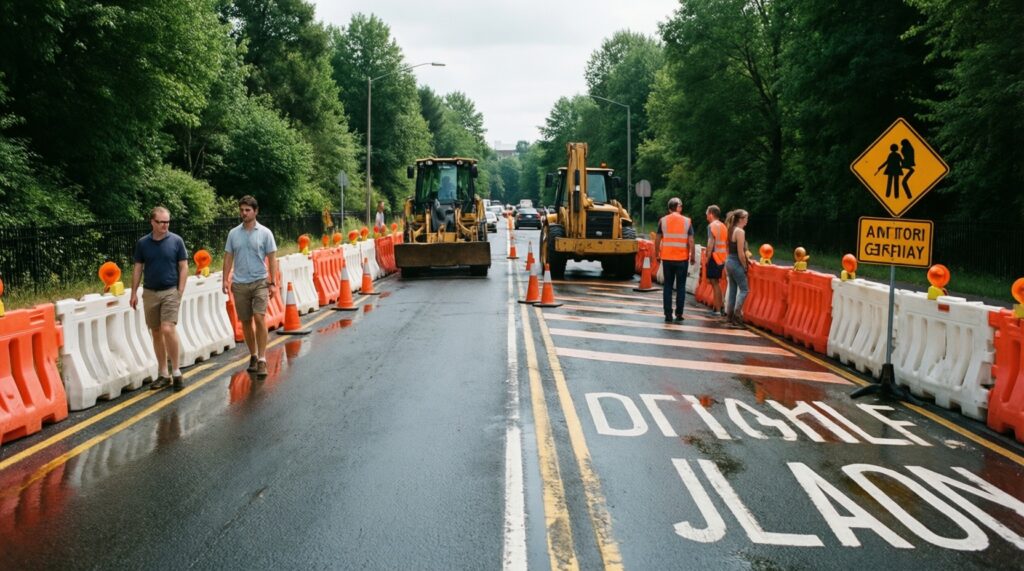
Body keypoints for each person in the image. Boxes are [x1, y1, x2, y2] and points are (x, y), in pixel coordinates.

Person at [130, 206, 188, 391]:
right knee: (155, 331)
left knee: (167, 328)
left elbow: (184, 266)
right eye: (161, 222)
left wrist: (180, 291)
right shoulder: (143, 243)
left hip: (170, 290)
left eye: (167, 222)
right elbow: (138, 268)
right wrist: (133, 293)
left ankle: (176, 371)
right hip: (150, 292)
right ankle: (163, 373)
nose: (165, 225)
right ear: (152, 222)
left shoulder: (176, 241)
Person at [222, 195, 278, 379]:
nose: (244, 213)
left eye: (247, 210)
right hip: (239, 283)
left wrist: (273, 282)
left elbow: (272, 259)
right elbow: (228, 257)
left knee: (259, 318)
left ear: (256, 211)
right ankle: (253, 355)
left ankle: (262, 359)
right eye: (242, 210)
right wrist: (225, 279)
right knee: (245, 321)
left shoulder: (265, 233)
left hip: (260, 281)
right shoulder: (233, 234)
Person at [654, 197, 695, 323]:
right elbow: (691, 240)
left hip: (667, 258)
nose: (681, 208)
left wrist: (657, 254)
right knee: (681, 286)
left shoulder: (663, 221)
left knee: (668, 286)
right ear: (677, 206)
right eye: (680, 206)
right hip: (682, 259)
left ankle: (667, 314)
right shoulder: (687, 221)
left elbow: (657, 239)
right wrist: (692, 255)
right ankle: (679, 313)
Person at [724, 209, 751, 327]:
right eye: (746, 218)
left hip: (729, 261)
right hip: (736, 262)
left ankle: (729, 316)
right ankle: (737, 314)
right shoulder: (740, 231)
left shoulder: (730, 229)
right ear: (741, 219)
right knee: (744, 290)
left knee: (733, 291)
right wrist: (745, 266)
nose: (747, 221)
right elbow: (740, 253)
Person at [705, 205, 727, 318]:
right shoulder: (723, 226)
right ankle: (720, 307)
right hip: (722, 258)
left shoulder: (711, 226)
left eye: (707, 214)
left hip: (714, 257)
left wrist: (707, 258)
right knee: (716, 283)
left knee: (714, 284)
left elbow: (710, 244)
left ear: (711, 214)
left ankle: (717, 310)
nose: (706, 217)